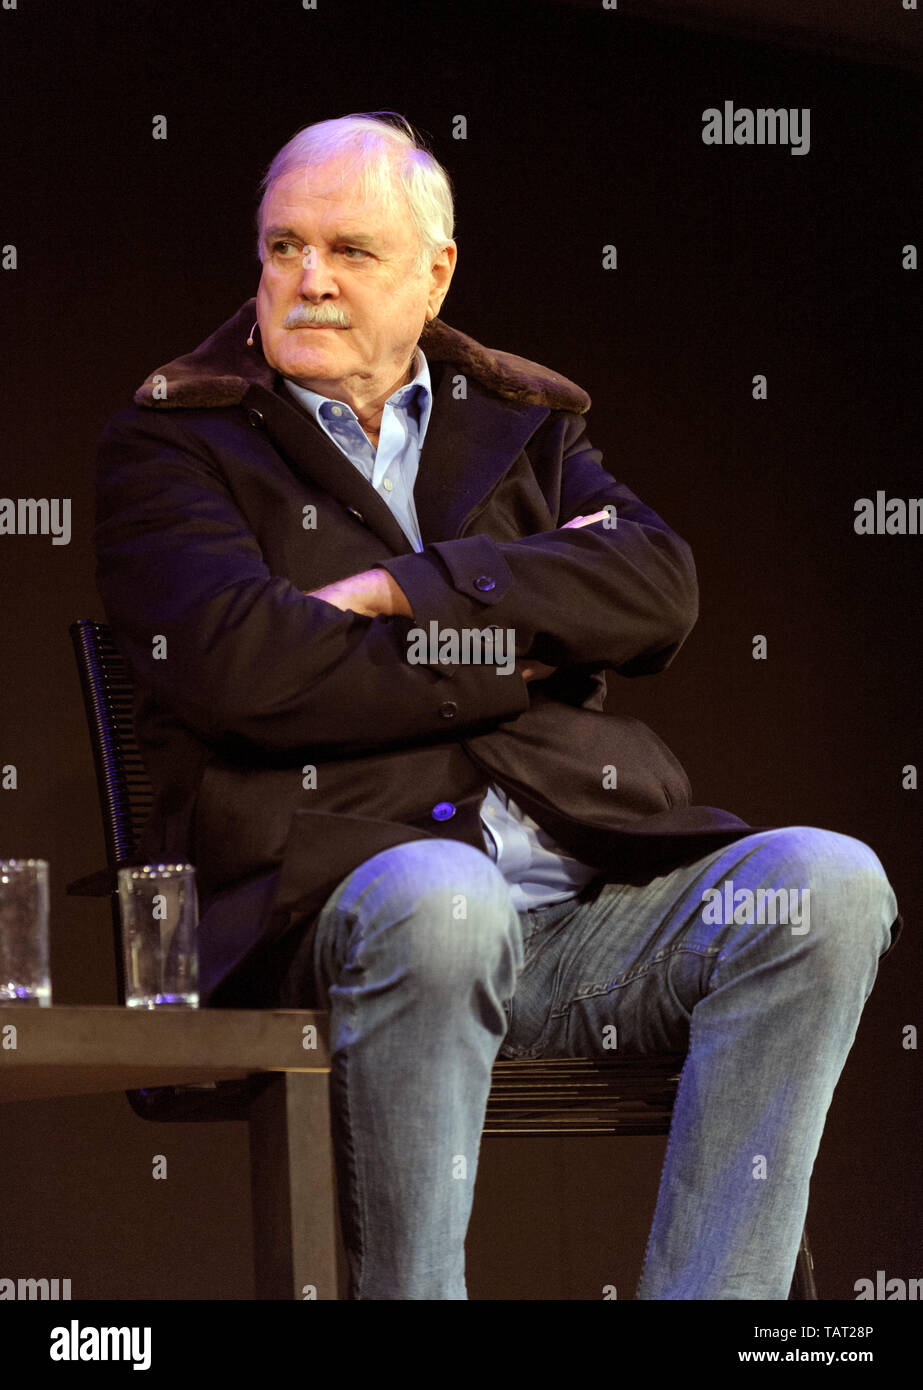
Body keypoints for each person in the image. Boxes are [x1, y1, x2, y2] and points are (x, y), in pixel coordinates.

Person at [93, 111, 901, 1300]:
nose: (305, 279)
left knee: (826, 882)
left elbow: (655, 587)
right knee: (443, 893)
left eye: (348, 251)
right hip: (340, 913)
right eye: (281, 247)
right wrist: (508, 645)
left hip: (576, 913)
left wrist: (398, 591)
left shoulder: (522, 422)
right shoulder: (176, 438)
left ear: (436, 272)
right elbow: (246, 668)